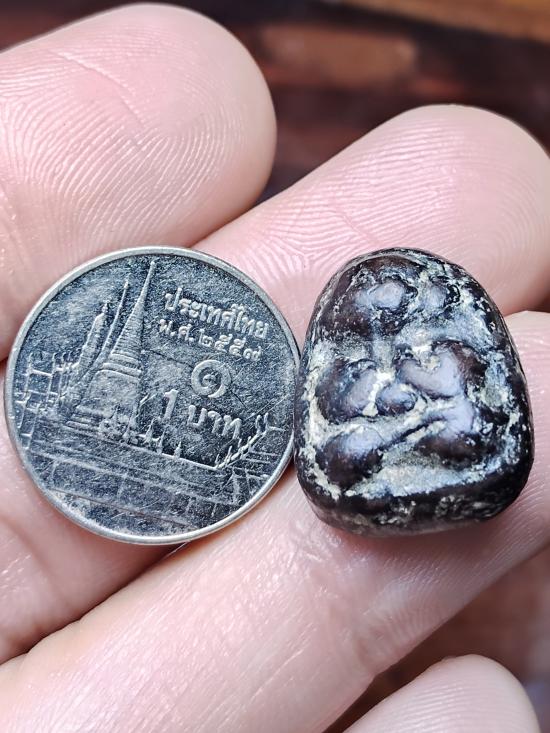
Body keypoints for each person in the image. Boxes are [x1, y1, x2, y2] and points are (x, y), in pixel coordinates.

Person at [0, 5, 546, 732]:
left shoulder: (437, 363)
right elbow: (354, 440)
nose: (383, 349)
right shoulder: (358, 382)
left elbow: (449, 424)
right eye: (369, 334)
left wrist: (408, 420)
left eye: (395, 327)